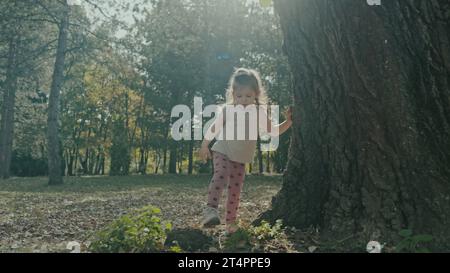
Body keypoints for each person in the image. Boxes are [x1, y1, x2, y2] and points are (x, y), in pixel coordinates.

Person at [198, 67, 293, 234]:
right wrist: (205, 144)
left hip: (241, 157)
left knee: (235, 188)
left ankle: (231, 223)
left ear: (256, 94)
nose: (243, 100)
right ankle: (210, 210)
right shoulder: (228, 109)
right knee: (221, 174)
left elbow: (274, 131)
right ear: (233, 94)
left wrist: (289, 122)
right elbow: (214, 128)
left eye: (248, 96)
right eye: (239, 96)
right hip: (223, 149)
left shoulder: (258, 112)